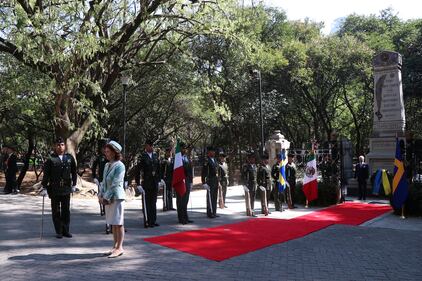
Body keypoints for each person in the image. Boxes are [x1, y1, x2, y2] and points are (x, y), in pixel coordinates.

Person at [41, 137, 77, 239]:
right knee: (56, 211)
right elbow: (46, 174)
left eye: (62, 145)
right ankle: (59, 231)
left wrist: (74, 184)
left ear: (64, 146)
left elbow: (74, 172)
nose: (60, 147)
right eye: (58, 145)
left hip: (66, 188)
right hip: (54, 189)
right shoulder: (50, 159)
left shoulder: (69, 158)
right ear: (54, 146)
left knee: (66, 210)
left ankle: (66, 230)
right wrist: (44, 187)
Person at [98, 140, 126, 258]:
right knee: (112, 223)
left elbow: (115, 183)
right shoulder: (106, 165)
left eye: (109, 152)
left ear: (115, 152)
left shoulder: (120, 165)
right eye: (106, 151)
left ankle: (120, 247)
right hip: (108, 197)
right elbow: (104, 182)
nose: (106, 153)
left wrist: (106, 197)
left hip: (116, 197)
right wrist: (101, 194)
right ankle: (114, 246)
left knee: (118, 223)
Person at [135, 139, 161, 228]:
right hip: (146, 182)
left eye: (149, 146)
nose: (148, 148)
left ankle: (153, 220)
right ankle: (147, 221)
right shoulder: (142, 157)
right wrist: (138, 183)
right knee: (147, 203)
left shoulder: (155, 156)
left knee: (153, 202)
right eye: (147, 146)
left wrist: (159, 180)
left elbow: (159, 169)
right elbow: (137, 170)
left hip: (154, 183)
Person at [92, 140, 110, 233]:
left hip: (110, 183)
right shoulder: (99, 158)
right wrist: (94, 177)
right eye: (104, 148)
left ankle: (115, 225)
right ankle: (108, 225)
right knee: (104, 200)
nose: (105, 150)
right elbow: (94, 167)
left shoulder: (112, 158)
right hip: (102, 182)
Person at [177, 142, 194, 224]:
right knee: (180, 201)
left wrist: (191, 181)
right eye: (183, 148)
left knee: (186, 200)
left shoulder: (186, 157)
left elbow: (190, 170)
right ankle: (181, 218)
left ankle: (186, 217)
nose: (184, 149)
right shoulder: (177, 158)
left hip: (186, 180)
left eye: (185, 148)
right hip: (180, 181)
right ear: (180, 148)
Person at [201, 146, 219, 218]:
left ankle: (214, 212)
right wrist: (204, 182)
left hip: (216, 180)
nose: (213, 152)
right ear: (208, 152)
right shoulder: (207, 160)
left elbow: (217, 170)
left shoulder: (215, 160)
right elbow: (204, 172)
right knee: (210, 196)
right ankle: (210, 212)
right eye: (212, 151)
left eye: (214, 151)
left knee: (214, 196)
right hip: (210, 180)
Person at [242, 152, 258, 217]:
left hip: (254, 184)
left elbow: (256, 176)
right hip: (249, 185)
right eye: (251, 159)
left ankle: (252, 211)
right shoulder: (246, 167)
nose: (253, 160)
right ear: (249, 159)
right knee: (248, 198)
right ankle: (248, 211)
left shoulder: (255, 166)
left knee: (253, 198)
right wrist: (245, 185)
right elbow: (244, 176)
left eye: (254, 159)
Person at [160, 147, 175, 211]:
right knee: (165, 193)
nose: (170, 153)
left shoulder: (172, 160)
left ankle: (170, 206)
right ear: (166, 153)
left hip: (171, 178)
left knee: (171, 192)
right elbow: (161, 170)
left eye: (170, 152)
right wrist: (161, 178)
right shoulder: (163, 160)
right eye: (168, 152)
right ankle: (165, 206)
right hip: (165, 179)